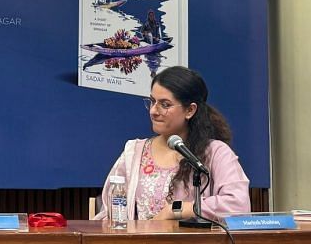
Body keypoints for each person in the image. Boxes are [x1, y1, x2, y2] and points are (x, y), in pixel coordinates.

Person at [94, 66, 250, 221]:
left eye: (165, 104)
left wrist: (177, 209)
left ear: (190, 110)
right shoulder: (134, 152)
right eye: (152, 101)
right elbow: (109, 213)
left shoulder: (215, 152)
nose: (153, 111)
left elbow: (238, 205)